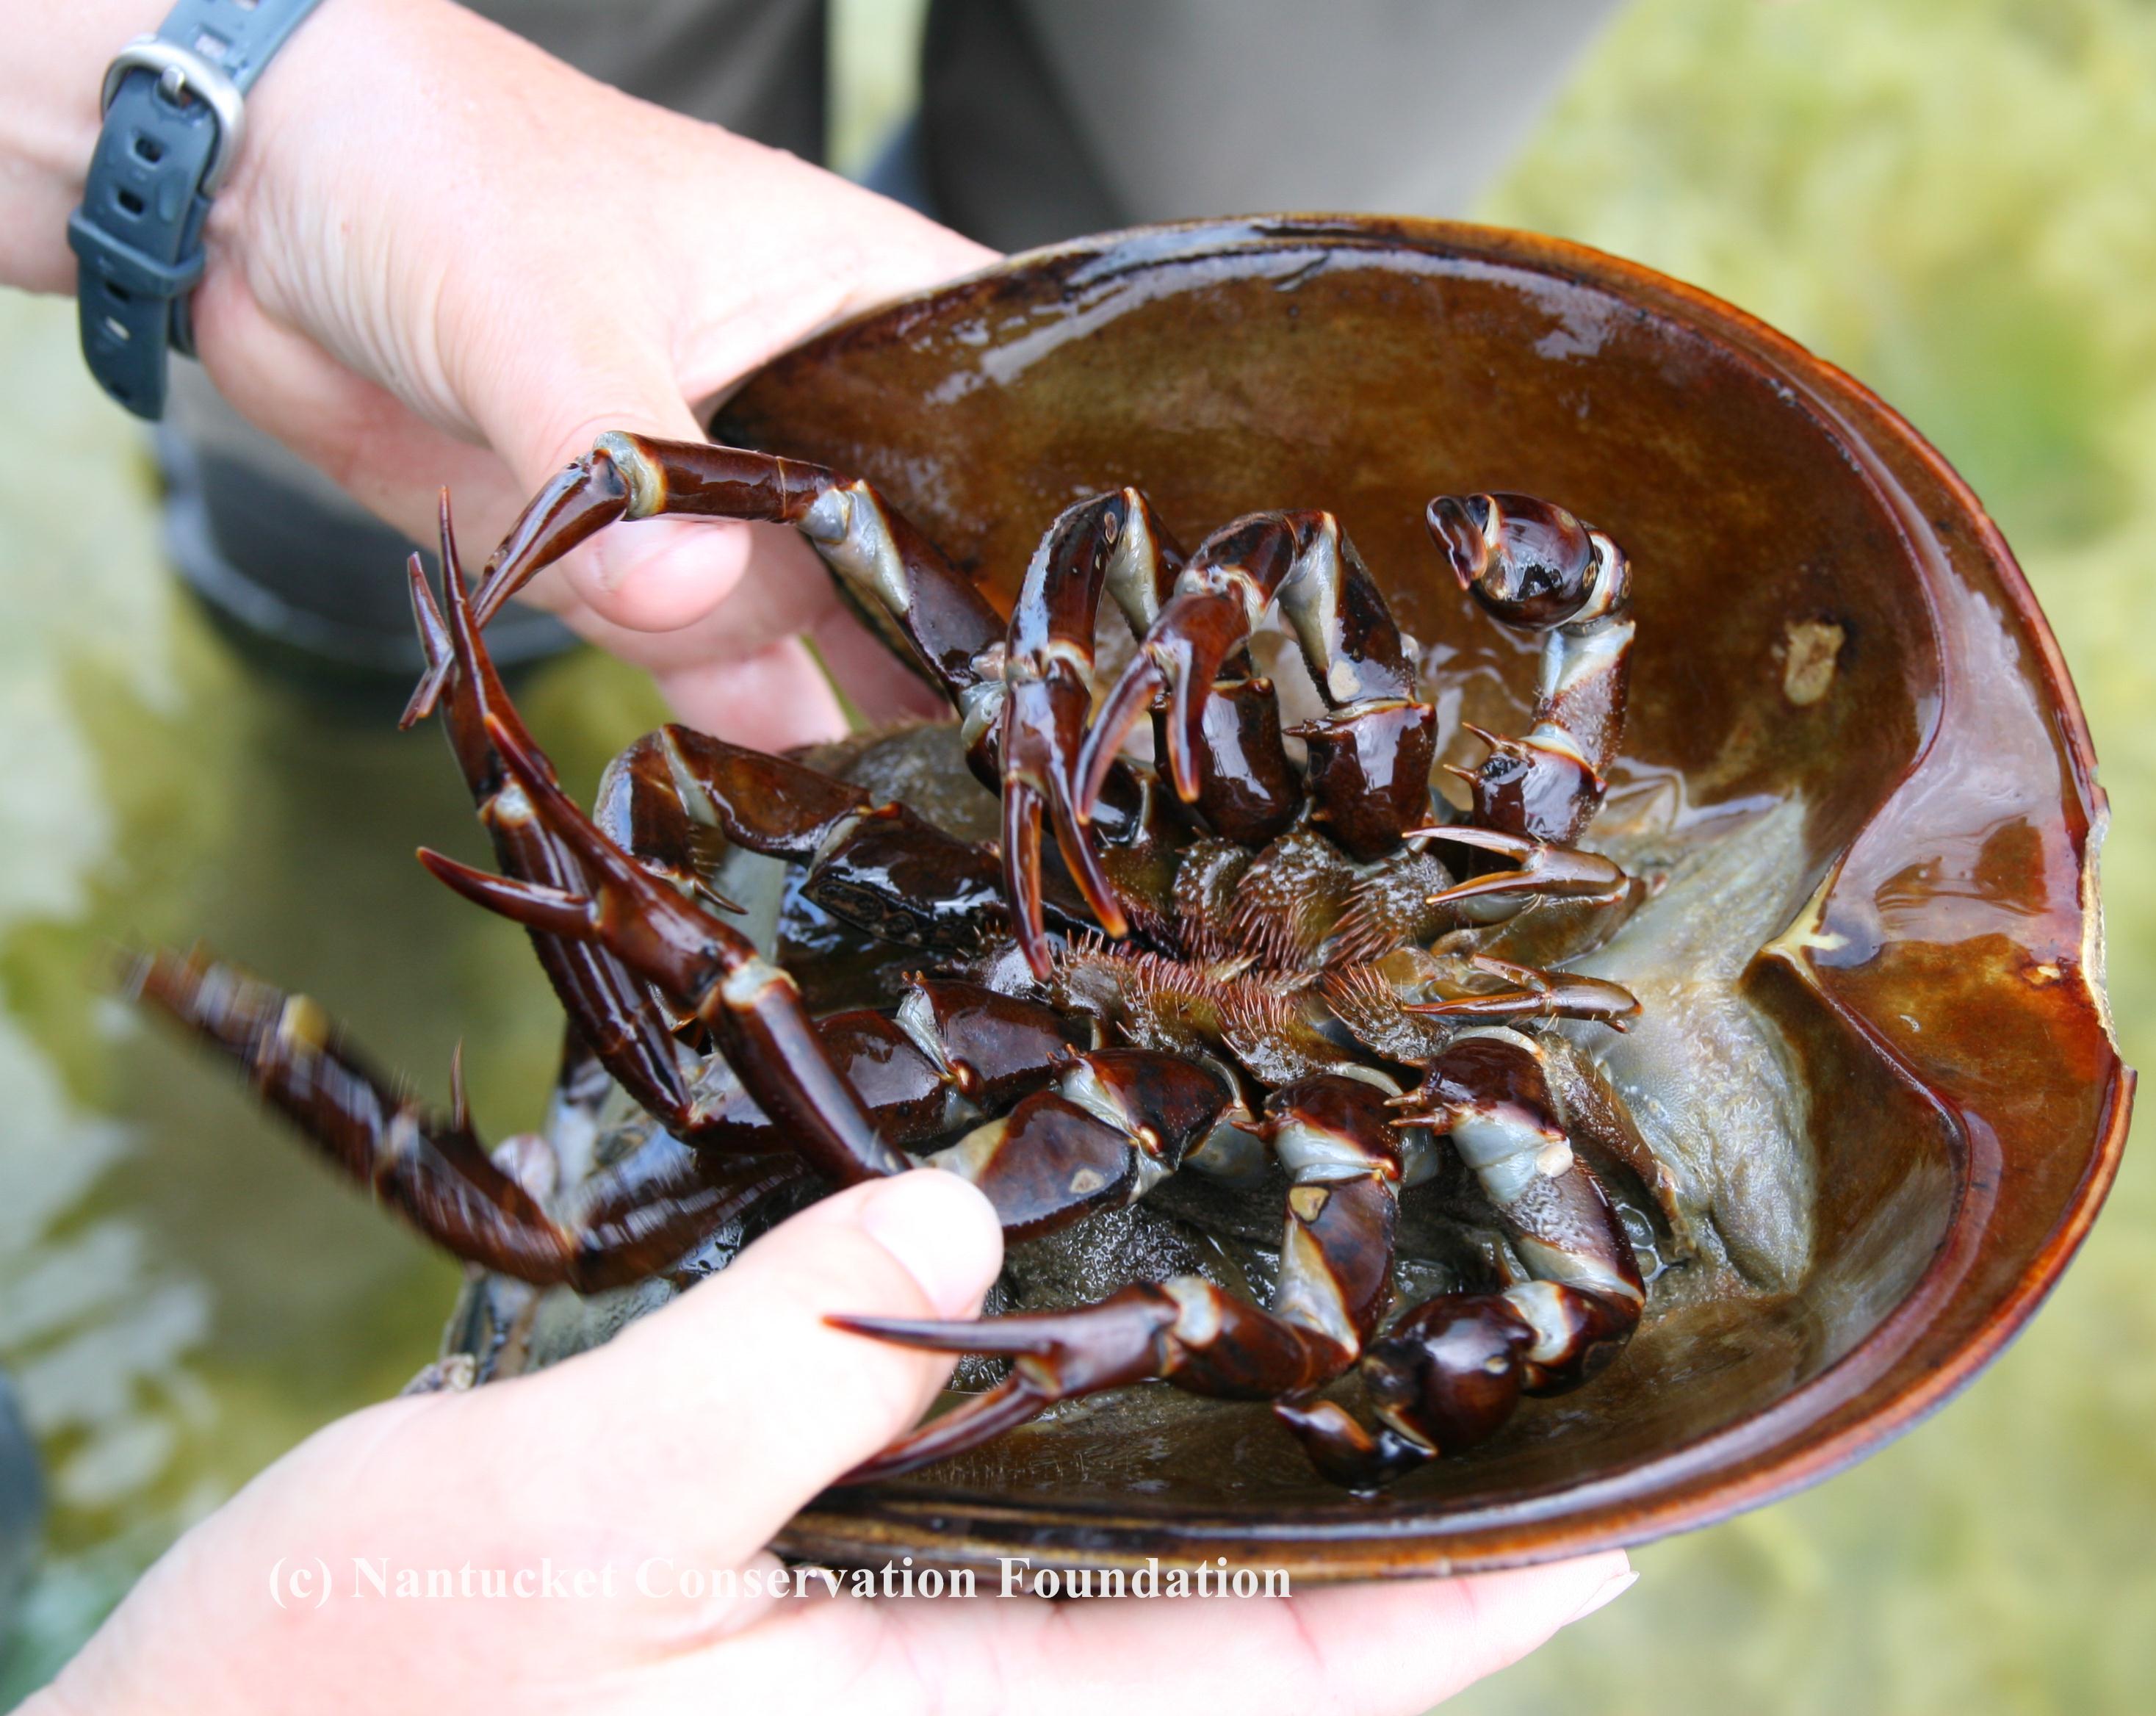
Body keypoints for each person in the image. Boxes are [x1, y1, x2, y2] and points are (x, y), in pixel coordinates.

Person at [1, 0, 1637, 1706]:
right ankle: (368, 694)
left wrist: (245, 120)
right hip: (1095, 899)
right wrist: (255, 132)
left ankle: (361, 782)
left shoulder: (1355, 1103)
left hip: (1130, 987)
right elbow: (1205, 556)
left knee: (615, 1159)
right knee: (729, 624)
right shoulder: (1243, 756)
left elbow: (1333, 1322)